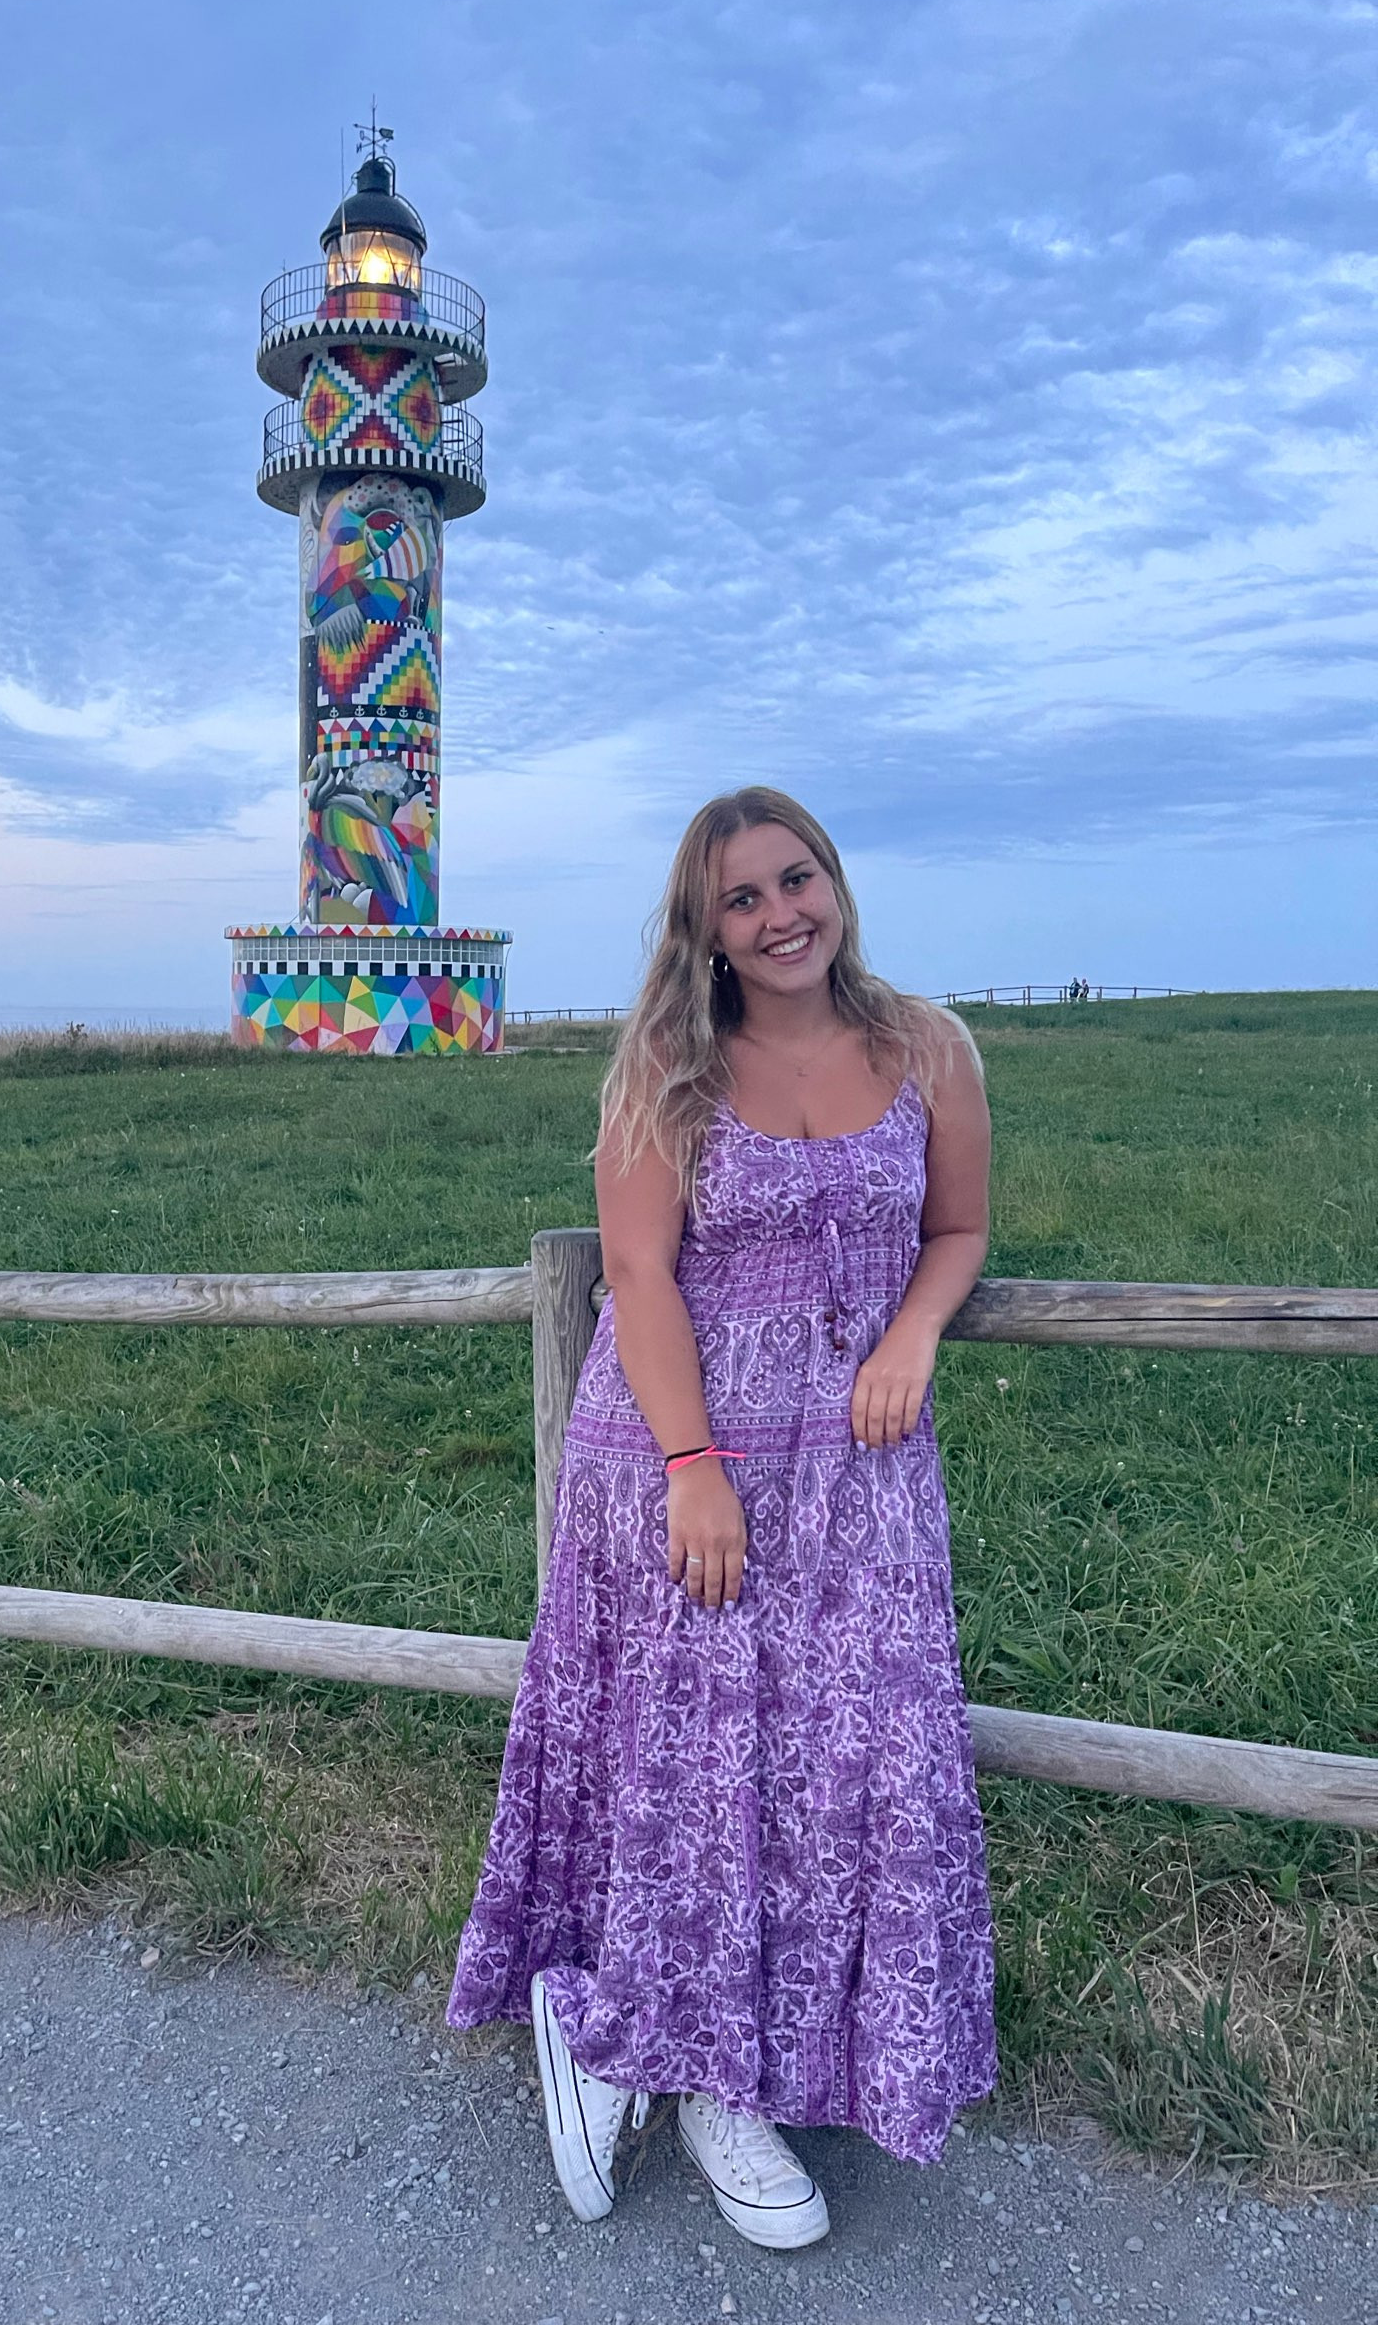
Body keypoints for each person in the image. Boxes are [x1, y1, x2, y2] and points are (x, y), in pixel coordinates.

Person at [448, 786, 997, 2249]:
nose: (778, 916)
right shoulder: (668, 1067)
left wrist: (914, 1333)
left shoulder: (930, 1049)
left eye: (794, 879)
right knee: (691, 1772)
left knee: (839, 1764)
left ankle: (709, 2049)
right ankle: (692, 2075)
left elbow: (957, 1229)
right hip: (686, 1457)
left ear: (837, 882)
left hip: (861, 1464)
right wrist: (692, 1465)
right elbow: (638, 1274)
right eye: (740, 899)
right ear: (705, 930)